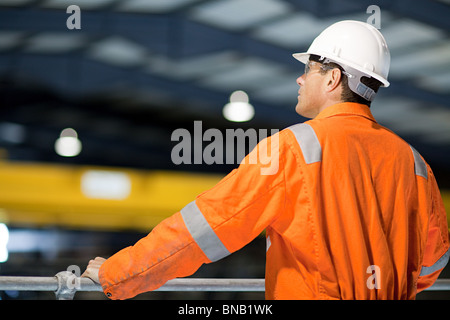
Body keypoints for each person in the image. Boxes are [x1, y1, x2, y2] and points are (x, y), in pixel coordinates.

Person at [82, 20, 449, 300]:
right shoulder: (414, 163)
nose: (299, 79)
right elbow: (434, 259)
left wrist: (118, 273)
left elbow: (206, 227)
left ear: (333, 78)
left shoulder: (294, 148)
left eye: (309, 70)